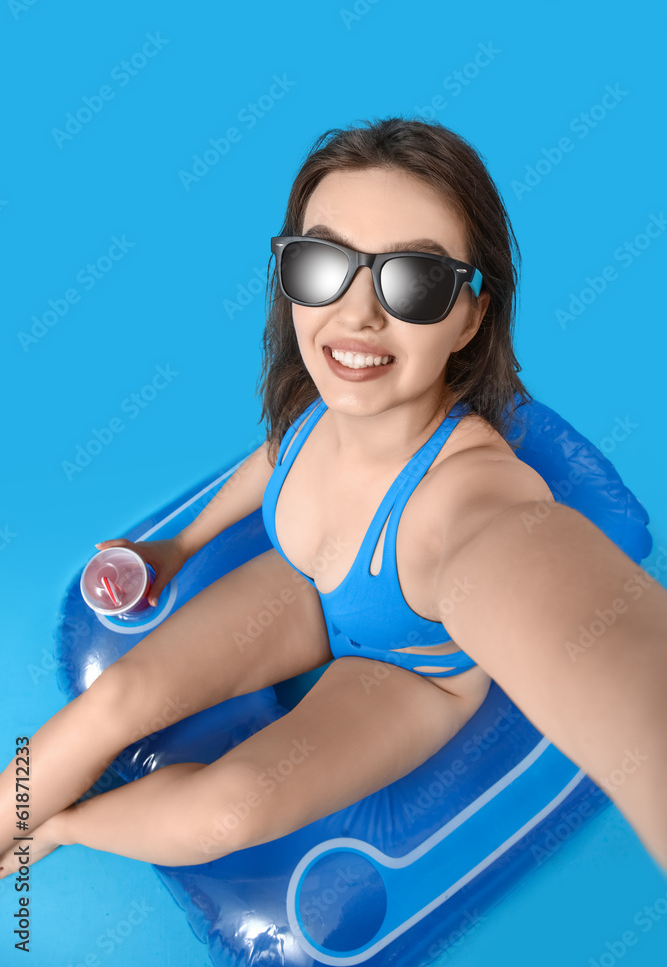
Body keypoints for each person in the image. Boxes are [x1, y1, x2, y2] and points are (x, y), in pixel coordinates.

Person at [1, 117, 665, 878]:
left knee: (229, 809)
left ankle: (63, 829)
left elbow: (568, 608)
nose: (355, 315)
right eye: (323, 264)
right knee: (117, 701)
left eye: (413, 281)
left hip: (401, 669)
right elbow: (274, 460)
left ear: (472, 315)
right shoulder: (317, 405)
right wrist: (174, 546)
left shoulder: (475, 501)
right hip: (306, 589)